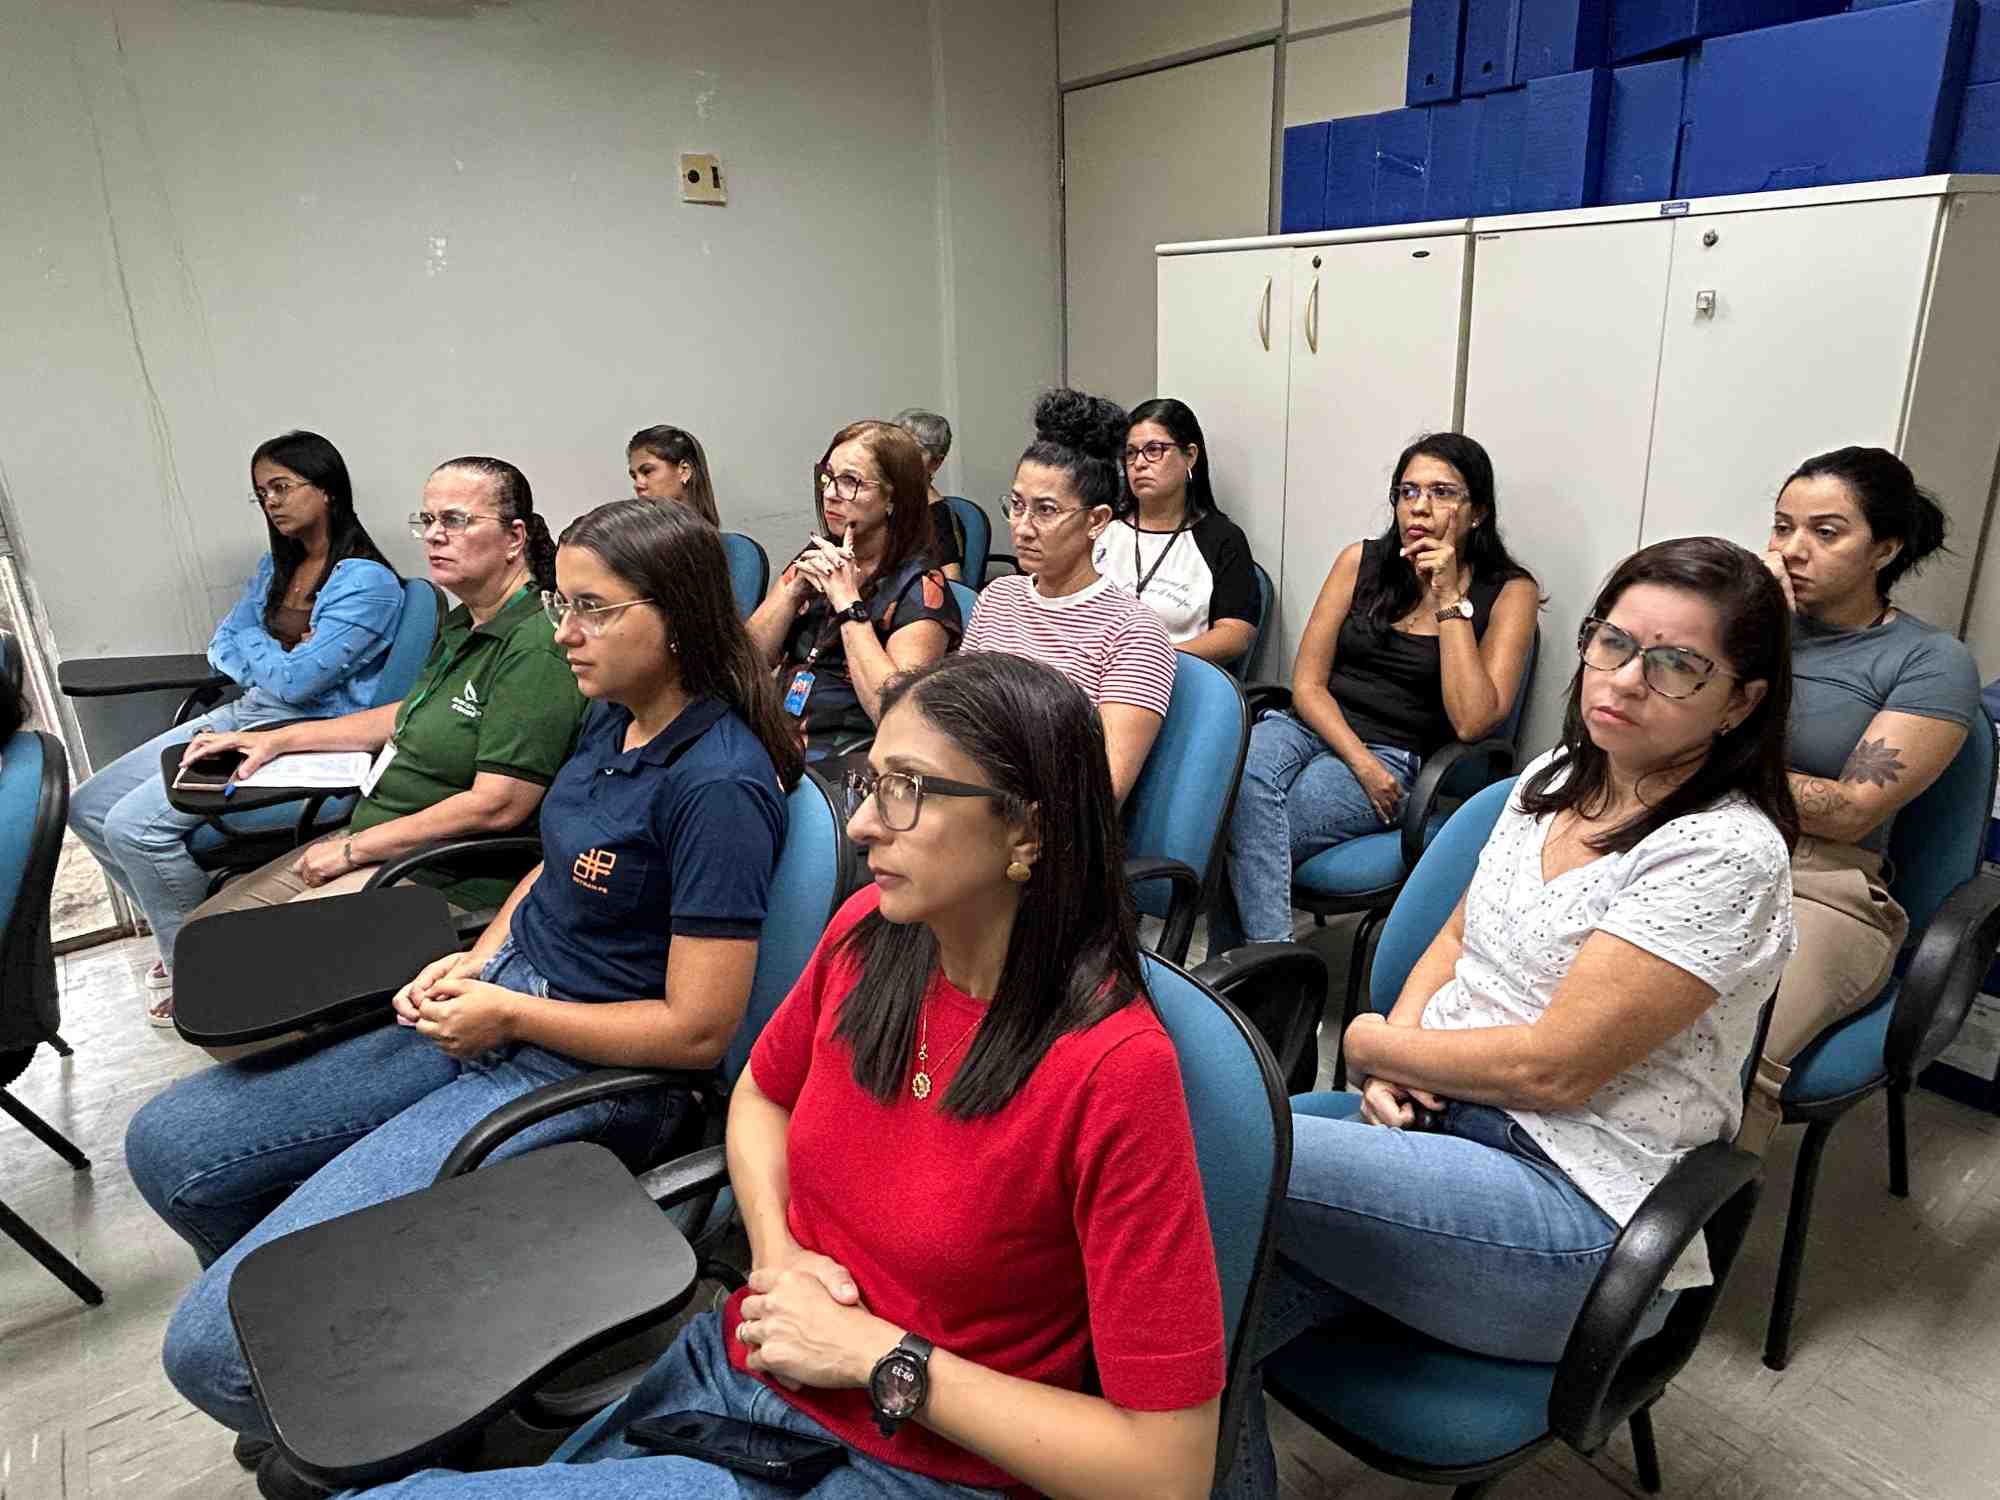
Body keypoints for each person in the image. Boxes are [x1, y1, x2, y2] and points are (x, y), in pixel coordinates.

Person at [350, 651, 1226, 1500]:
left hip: (914, 1461)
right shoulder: (871, 936)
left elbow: (1166, 1470)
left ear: (1026, 829)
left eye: (906, 791)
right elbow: (764, 1098)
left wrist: (875, 1358)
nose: (861, 825)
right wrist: (780, 1259)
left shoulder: (1114, 1071)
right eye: (869, 782)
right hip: (753, 1369)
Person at [124, 499, 799, 1496]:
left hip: (590, 1067)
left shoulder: (716, 785)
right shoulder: (615, 711)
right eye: (562, 605)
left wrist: (512, 1013)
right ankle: (339, 1361)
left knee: (212, 1354)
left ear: (678, 621)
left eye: (592, 611)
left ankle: (358, 1393)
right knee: (170, 1147)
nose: (563, 631)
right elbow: (555, 861)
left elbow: (696, 1034)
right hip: (507, 1005)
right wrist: (484, 953)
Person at [1226, 537, 1799, 1500]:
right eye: (1611, 642)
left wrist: (1366, 1040)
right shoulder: (1553, 779)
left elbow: (1553, 1071)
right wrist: (1395, 1054)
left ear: (1740, 701)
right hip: (1441, 1124)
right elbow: (1456, 935)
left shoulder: (1723, 852)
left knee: (1198, 1147)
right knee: (1180, 1322)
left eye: (1677, 665)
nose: (1623, 677)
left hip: (1571, 1207)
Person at [166, 458, 587, 1021]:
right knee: (205, 935)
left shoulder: (534, 646)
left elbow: (498, 805)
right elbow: (407, 714)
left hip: (439, 870)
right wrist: (281, 740)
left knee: (244, 993)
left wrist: (350, 851)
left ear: (514, 537)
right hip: (382, 836)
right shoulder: (469, 621)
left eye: (457, 520)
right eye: (429, 519)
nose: (436, 535)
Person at [68, 431, 404, 1022]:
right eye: (260, 493)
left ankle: (196, 969)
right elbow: (224, 642)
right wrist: (275, 653)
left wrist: (266, 655)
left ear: (325, 491)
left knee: (133, 829)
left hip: (305, 732)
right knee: (88, 805)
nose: (271, 502)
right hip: (248, 713)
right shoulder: (279, 566)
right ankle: (184, 932)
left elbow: (300, 688)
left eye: (282, 486)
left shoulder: (366, 583)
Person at [1739, 447, 1983, 1150]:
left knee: (1729, 1045)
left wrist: (1698, 759)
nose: (1790, 551)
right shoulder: (1746, 627)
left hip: (1821, 884)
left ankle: (1684, 1242)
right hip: (1690, 842)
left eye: (1824, 532)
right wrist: (1748, 629)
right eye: (1781, 528)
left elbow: (1850, 810)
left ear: (1886, 547)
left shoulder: (1927, 661)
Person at [1214, 433, 1539, 950]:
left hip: (1399, 753)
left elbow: (1475, 722)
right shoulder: (1358, 562)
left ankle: (1247, 981)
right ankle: (1274, 970)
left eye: (1442, 492)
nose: (1421, 507)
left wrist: (1449, 597)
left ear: (1477, 512)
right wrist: (1360, 761)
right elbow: (1308, 683)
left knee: (1230, 833)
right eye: (1408, 491)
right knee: (1239, 774)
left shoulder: (1509, 592)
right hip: (1318, 728)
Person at [963, 390, 1175, 805]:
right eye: (1017, 505)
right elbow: (957, 715)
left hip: (1051, 832)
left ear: (1096, 520)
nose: (1022, 528)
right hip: (967, 798)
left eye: (1045, 511)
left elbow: (1103, 792)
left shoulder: (1134, 632)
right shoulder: (998, 597)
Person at [747, 421, 961, 759]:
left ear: (893, 498)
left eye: (850, 481)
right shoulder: (816, 557)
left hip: (849, 756)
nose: (830, 493)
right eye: (827, 476)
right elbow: (746, 663)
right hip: (777, 738)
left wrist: (849, 603)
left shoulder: (920, 588)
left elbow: (892, 712)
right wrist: (791, 595)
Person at [1095, 398, 1259, 666]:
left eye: (1154, 450)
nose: (1139, 463)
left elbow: (1235, 635)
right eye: (1131, 452)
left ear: (1190, 456)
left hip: (1178, 675)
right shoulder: (1102, 526)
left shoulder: (1222, 538)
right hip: (1092, 671)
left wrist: (1155, 658)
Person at [893, 406, 966, 580]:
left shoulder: (938, 515)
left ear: (936, 463)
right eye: (896, 447)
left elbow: (953, 580)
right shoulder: (886, 502)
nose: (900, 458)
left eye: (913, 451)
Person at [627, 425, 721, 527]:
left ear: (684, 471)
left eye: (647, 471)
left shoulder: (734, 543)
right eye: (634, 476)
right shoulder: (627, 539)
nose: (637, 485)